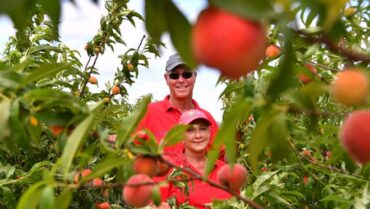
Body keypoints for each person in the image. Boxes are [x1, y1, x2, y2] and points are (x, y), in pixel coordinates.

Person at [136, 53, 222, 158]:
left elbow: (219, 159)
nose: (181, 80)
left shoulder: (207, 118)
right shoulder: (148, 113)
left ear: (195, 76)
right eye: (174, 75)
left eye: (187, 74)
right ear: (166, 78)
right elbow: (132, 151)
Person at [166, 109, 233, 209]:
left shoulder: (224, 170)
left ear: (209, 133)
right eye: (190, 130)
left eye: (203, 129)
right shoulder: (171, 171)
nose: (198, 135)